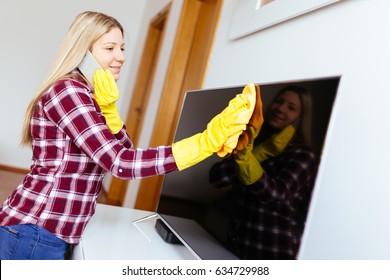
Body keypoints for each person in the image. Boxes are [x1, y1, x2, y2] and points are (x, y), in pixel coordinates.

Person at [0, 11, 255, 260]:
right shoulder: (69, 92)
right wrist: (205, 142)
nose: (120, 57)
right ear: (83, 52)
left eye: (122, 48)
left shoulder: (88, 94)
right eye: (109, 48)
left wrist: (109, 109)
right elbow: (121, 163)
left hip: (51, 229)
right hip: (35, 230)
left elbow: (123, 147)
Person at [209, 85, 317, 260]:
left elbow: (278, 197)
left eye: (291, 107)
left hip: (272, 249)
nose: (281, 108)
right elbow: (217, 177)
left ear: (300, 117)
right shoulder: (254, 140)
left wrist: (251, 164)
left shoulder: (303, 155)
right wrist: (260, 151)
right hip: (237, 243)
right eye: (279, 101)